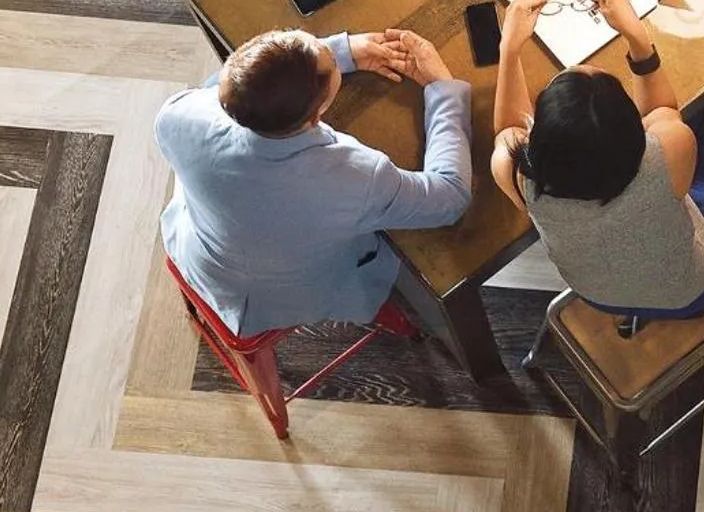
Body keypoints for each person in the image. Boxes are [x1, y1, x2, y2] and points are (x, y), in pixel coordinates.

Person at [155, 27, 472, 335]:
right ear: (316, 116)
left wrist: (343, 52)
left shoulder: (176, 116)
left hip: (199, 256)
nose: (333, 57)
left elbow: (220, 90)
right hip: (282, 300)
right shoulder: (355, 176)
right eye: (332, 63)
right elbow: (451, 197)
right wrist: (442, 87)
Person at [489, 0, 704, 317]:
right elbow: (663, 109)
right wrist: (636, 35)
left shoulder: (516, 175)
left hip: (600, 297)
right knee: (698, 113)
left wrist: (508, 49)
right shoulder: (666, 151)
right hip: (692, 287)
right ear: (636, 132)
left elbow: (507, 130)